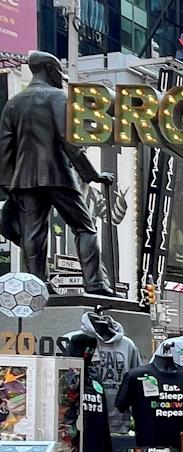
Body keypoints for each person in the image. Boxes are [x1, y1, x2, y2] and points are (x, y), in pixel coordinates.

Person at [0, 52, 115, 295]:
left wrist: (7, 184)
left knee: (33, 232)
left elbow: (4, 147)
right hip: (57, 174)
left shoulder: (14, 103)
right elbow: (69, 141)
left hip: (24, 180)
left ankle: (37, 285)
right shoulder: (57, 97)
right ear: (50, 69)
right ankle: (95, 283)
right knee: (85, 227)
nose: (60, 78)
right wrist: (92, 175)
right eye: (58, 72)